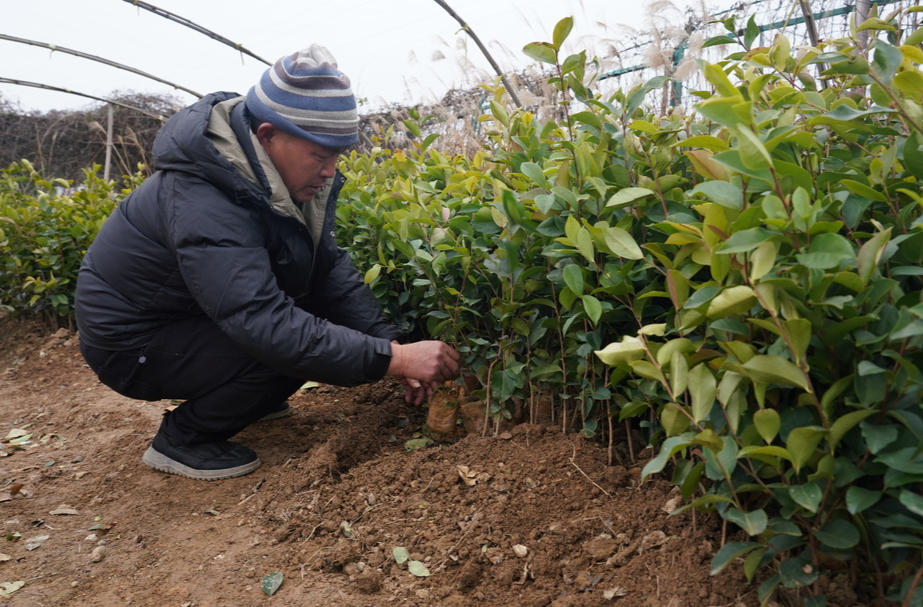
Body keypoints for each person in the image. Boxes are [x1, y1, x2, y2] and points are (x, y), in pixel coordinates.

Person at [75, 44, 461, 481]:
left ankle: (244, 394)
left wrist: (387, 340)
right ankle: (183, 440)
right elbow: (260, 321)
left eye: (338, 155)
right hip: (130, 342)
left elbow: (328, 270)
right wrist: (393, 359)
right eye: (320, 155)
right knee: (280, 350)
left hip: (182, 317)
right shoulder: (205, 196)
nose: (331, 171)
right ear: (267, 136)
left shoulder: (272, 180)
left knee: (301, 340)